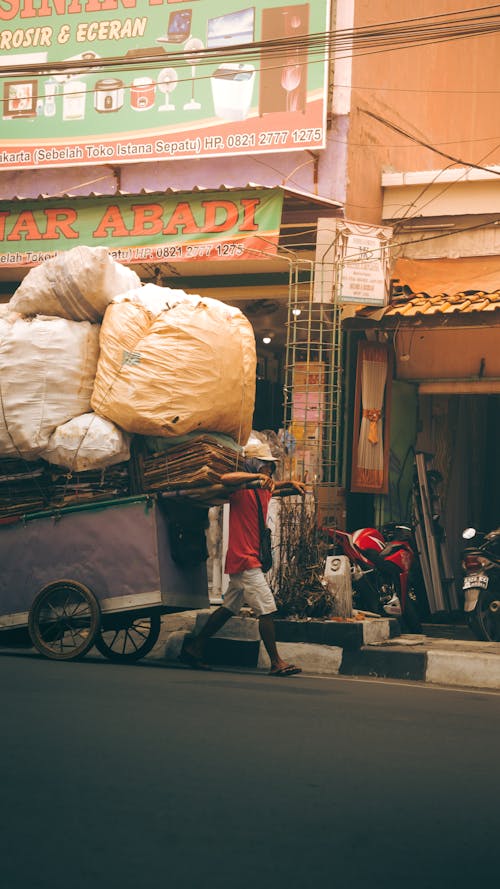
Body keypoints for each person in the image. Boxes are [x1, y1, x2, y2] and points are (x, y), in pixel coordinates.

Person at [179, 440, 307, 677]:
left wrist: (291, 484)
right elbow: (226, 478)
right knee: (266, 608)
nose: (270, 471)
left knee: (229, 607)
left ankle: (194, 647)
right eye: (266, 466)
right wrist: (255, 480)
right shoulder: (239, 489)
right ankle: (276, 662)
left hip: (246, 558)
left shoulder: (261, 489)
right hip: (245, 558)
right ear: (256, 466)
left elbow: (274, 488)